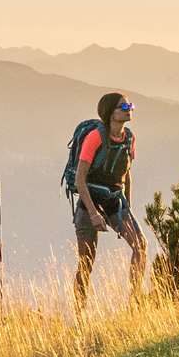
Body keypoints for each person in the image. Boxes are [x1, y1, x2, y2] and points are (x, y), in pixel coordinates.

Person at [71, 91, 146, 310]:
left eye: (130, 106)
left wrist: (127, 207)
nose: (129, 110)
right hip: (90, 203)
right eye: (124, 107)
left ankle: (134, 302)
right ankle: (79, 313)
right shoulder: (95, 138)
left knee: (140, 246)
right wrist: (94, 214)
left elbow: (127, 174)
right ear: (110, 113)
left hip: (115, 201)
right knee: (86, 262)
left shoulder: (130, 139)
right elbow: (80, 180)